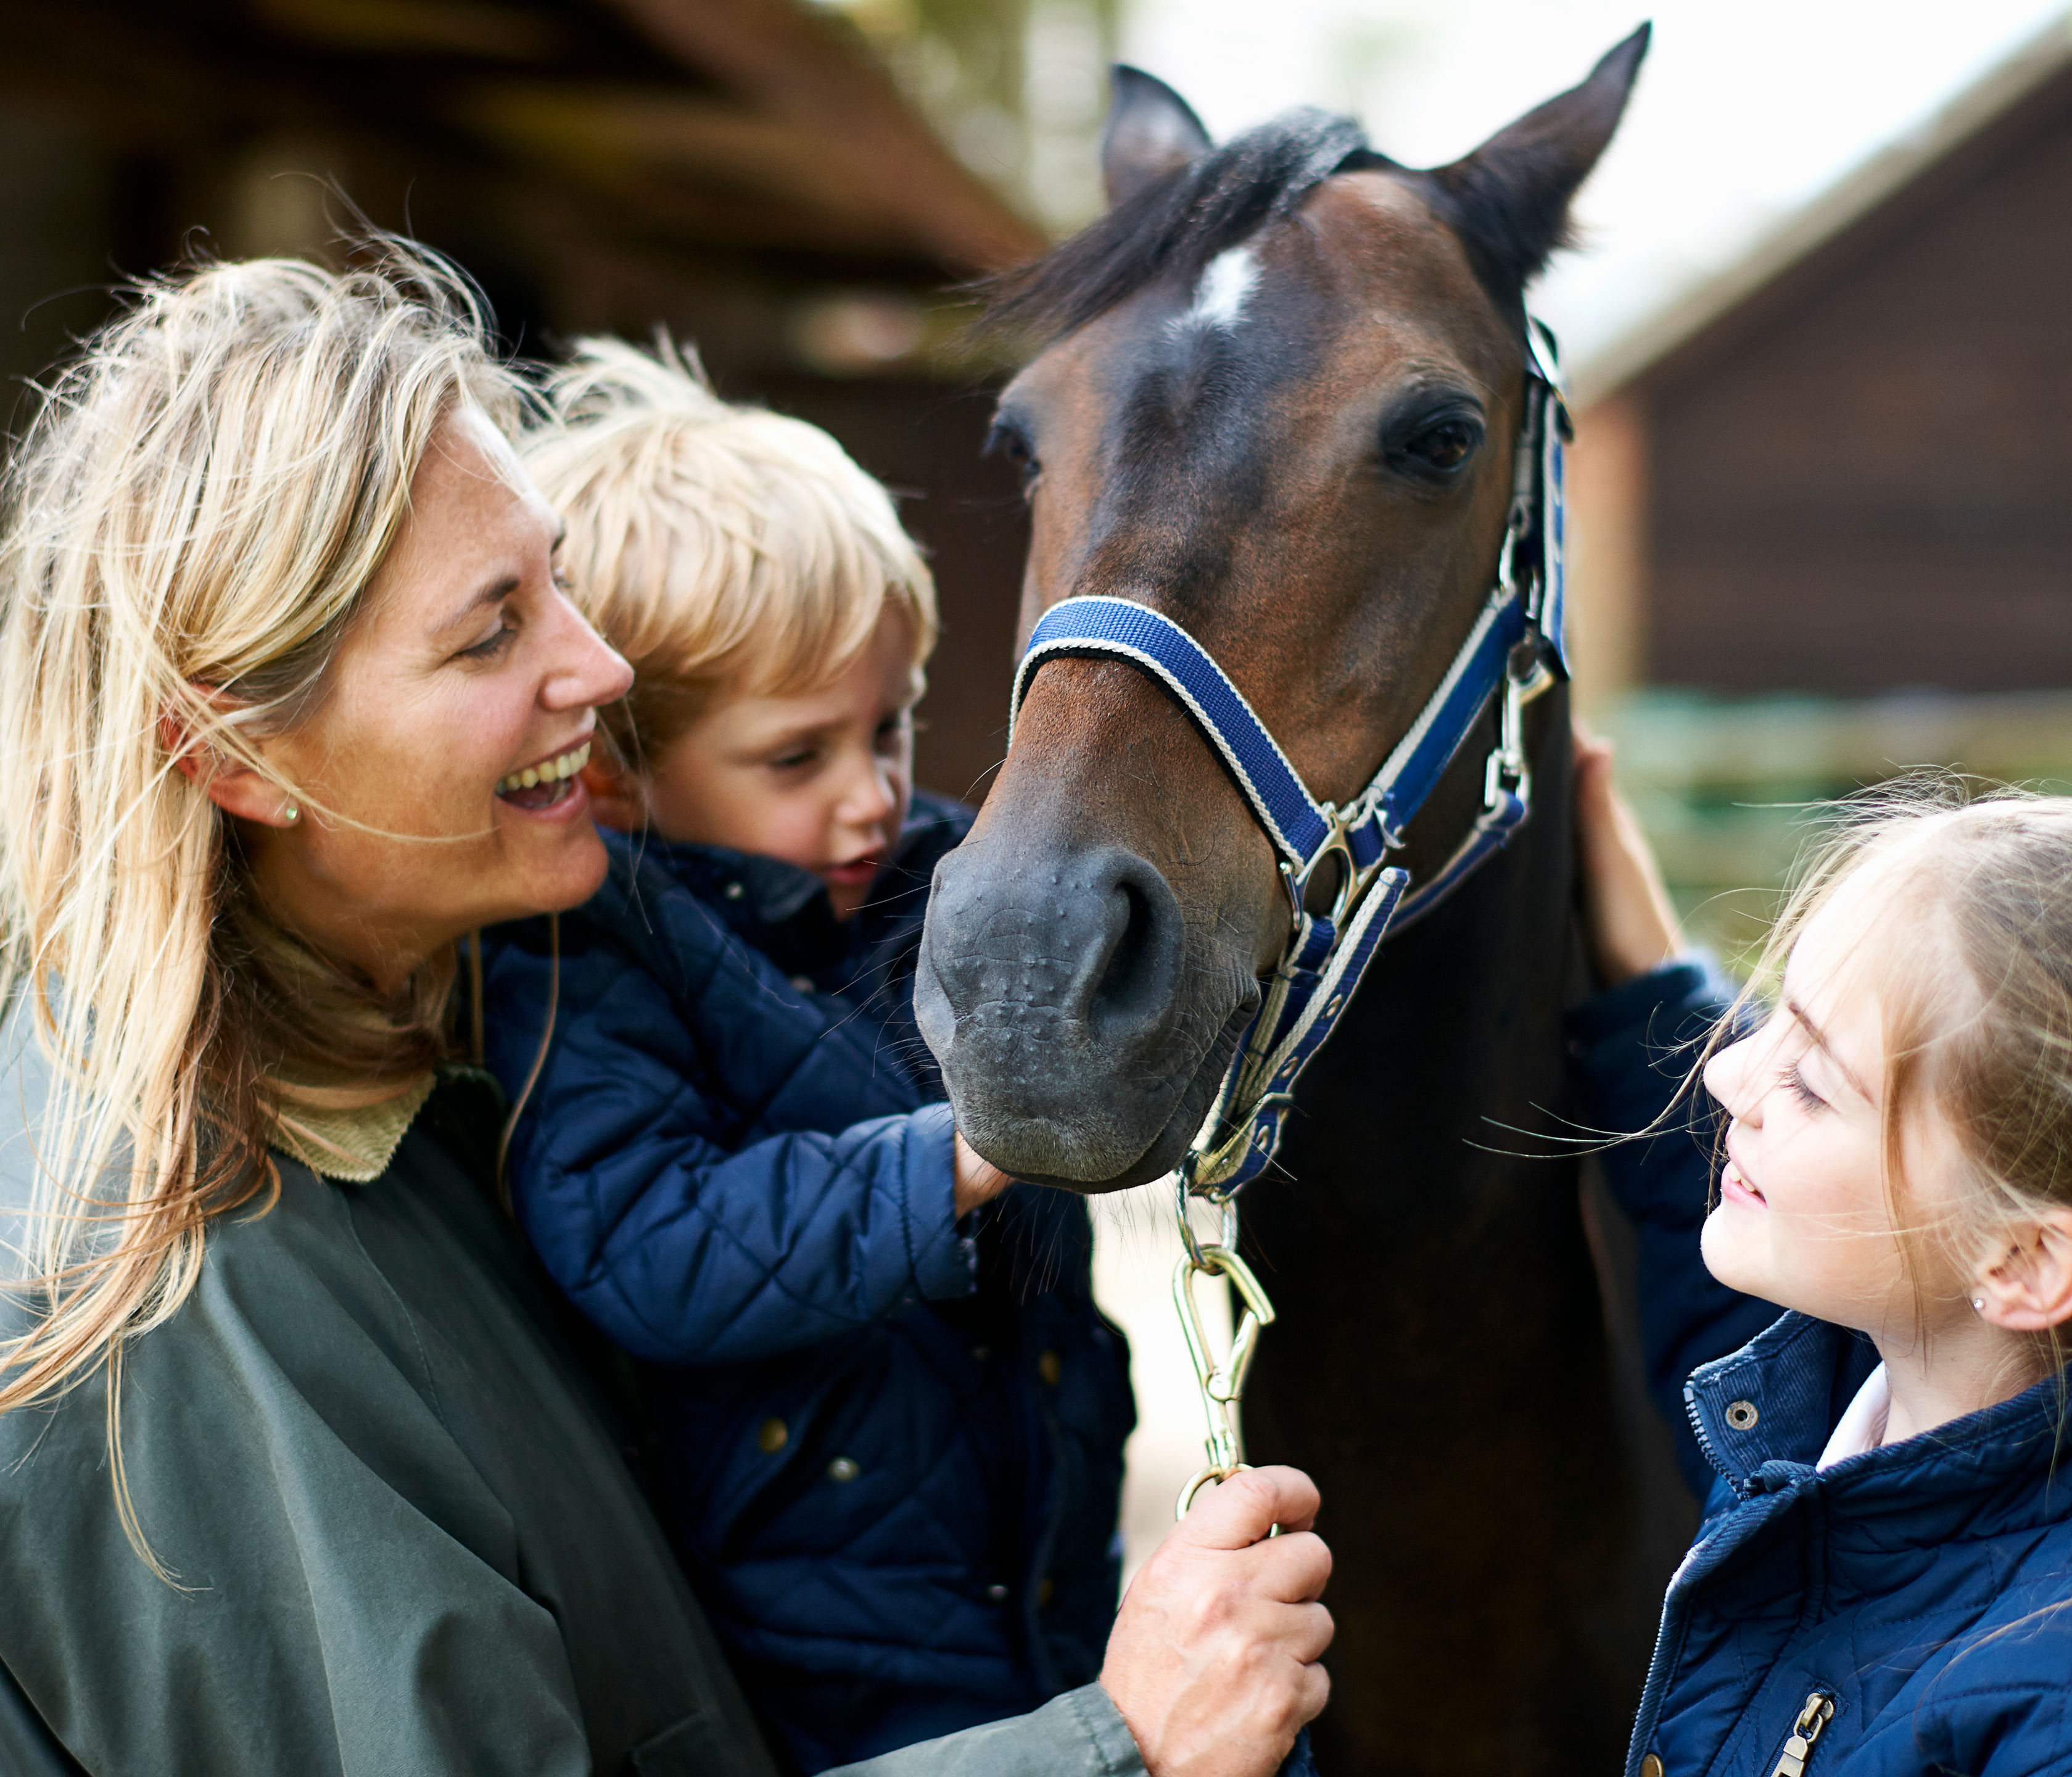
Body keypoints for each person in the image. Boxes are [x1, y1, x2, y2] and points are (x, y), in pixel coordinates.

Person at [0, 246, 1330, 1777]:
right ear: (236, 756)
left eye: (558, 580)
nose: (605, 664)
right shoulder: (175, 1294)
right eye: (491, 630)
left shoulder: (456, 1036)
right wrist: (1122, 1742)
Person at [476, 340, 1134, 1771]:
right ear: (618, 775)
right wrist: (957, 1160)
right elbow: (643, 1239)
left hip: (1044, 1536)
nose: (871, 796)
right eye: (797, 758)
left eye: (888, 729)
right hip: (826, 1622)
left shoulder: (930, 883)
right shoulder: (597, 960)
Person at [1566, 739, 2072, 1775]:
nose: (1727, 1077)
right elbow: (1736, 1279)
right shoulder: (1892, 1383)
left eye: (1810, 1081)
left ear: (2026, 1261)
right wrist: (1648, 983)